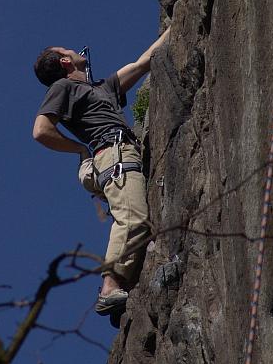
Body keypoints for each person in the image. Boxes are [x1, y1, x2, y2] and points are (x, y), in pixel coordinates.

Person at [32, 29, 170, 317]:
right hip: (111, 152)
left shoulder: (100, 88)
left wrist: (175, 27)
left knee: (136, 217)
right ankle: (110, 287)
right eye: (68, 50)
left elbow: (143, 63)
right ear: (64, 63)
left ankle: (123, 288)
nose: (76, 51)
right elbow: (41, 131)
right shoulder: (63, 88)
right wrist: (82, 150)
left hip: (120, 151)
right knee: (133, 217)